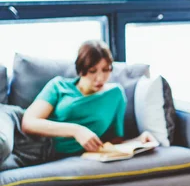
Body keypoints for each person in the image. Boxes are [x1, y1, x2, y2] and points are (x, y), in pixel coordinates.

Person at [0, 40, 155, 170]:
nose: (100, 78)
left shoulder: (115, 95)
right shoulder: (59, 86)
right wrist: (76, 130)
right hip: (14, 126)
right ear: (81, 70)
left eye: (106, 70)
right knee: (2, 145)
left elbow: (113, 143)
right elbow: (28, 123)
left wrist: (138, 140)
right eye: (93, 71)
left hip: (41, 153)